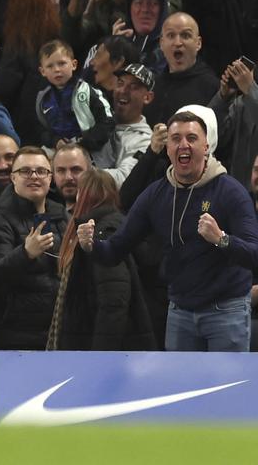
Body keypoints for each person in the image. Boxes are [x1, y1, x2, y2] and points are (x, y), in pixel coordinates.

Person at [78, 106, 258, 351]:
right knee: (180, 378)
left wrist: (221, 239)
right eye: (176, 139)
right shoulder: (156, 194)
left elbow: (253, 254)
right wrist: (92, 246)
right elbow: (115, 250)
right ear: (168, 148)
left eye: (192, 138)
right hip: (180, 311)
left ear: (206, 147)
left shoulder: (231, 192)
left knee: (226, 378)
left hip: (226, 309)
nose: (183, 144)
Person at [47, 169, 155, 351]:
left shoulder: (104, 231)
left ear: (84, 195)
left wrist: (100, 355)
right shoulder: (112, 225)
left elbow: (114, 301)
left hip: (99, 347)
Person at [0, 146, 68, 350]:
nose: (34, 176)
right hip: (14, 339)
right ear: (13, 178)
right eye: (25, 171)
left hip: (61, 335)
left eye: (41, 171)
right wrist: (25, 254)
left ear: (50, 178)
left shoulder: (63, 217)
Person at [0, 0, 65, 145]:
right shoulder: (60, 45)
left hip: (22, 132)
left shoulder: (17, 47)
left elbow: (5, 91)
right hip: (53, 130)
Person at [34, 39, 114, 152]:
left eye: (62, 63)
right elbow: (42, 130)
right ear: (42, 71)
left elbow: (107, 122)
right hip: (57, 150)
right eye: (50, 66)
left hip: (91, 152)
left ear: (74, 64)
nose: (57, 69)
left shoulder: (88, 91)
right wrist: (55, 141)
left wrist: (83, 144)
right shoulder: (42, 99)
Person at [144, 13, 219, 126]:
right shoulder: (152, 86)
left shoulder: (211, 87)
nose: (178, 43)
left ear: (198, 43)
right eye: (171, 35)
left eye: (185, 35)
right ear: (161, 43)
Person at [94, 63, 154, 187]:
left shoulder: (146, 141)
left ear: (147, 97)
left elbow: (124, 179)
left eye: (133, 87)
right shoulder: (98, 120)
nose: (123, 90)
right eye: (120, 83)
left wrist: (82, 172)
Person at [210, 57, 258, 187]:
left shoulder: (250, 95)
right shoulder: (242, 103)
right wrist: (223, 97)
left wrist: (250, 89)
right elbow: (212, 137)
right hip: (240, 188)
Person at [51, 143, 91, 215]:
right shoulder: (46, 210)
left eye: (76, 170)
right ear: (53, 175)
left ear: (90, 173)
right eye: (61, 171)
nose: (68, 177)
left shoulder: (107, 214)